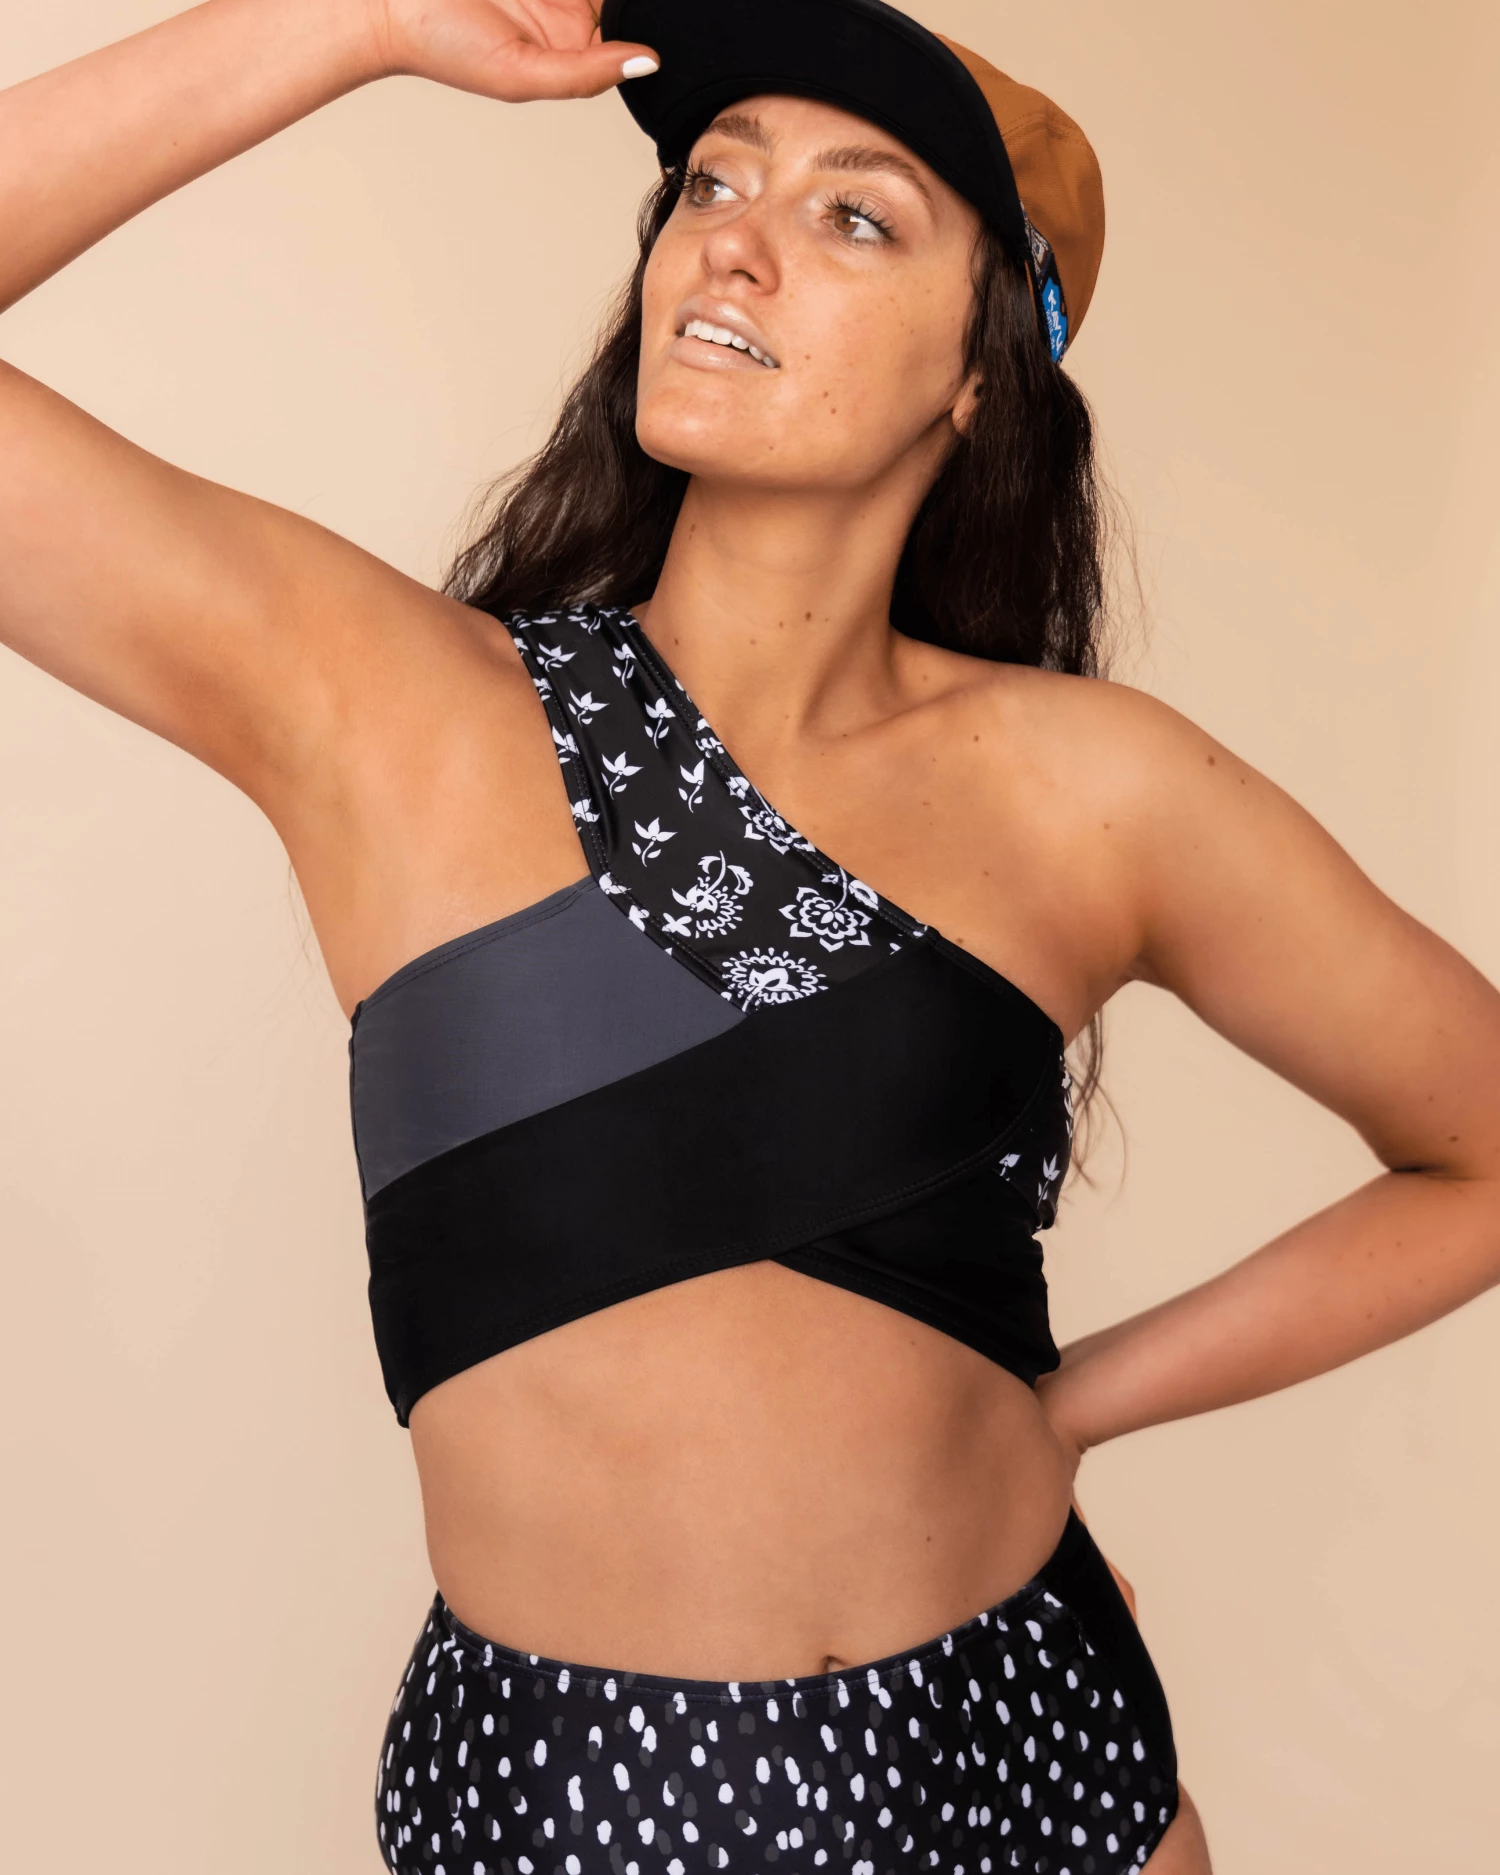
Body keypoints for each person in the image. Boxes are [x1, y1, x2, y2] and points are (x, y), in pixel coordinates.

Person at [2, 0, 1497, 1869]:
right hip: (568, 1798)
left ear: (984, 375)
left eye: (856, 214)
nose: (734, 240)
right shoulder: (390, 706)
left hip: (1028, 1764)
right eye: (713, 183)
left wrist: (1078, 1409)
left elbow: (1479, 1143)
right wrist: (350, 24)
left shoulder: (1096, 786)